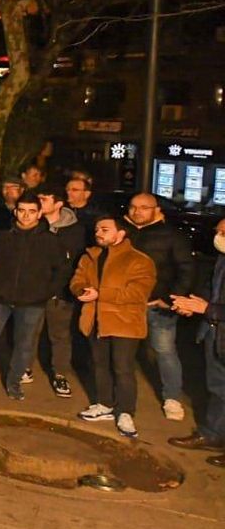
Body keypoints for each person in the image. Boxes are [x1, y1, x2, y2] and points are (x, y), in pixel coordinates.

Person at [72, 217, 157, 439]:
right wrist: (81, 290)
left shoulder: (139, 260)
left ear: (121, 234)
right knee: (99, 365)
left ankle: (126, 412)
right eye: (97, 229)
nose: (98, 233)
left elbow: (138, 293)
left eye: (105, 229)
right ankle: (105, 404)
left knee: (123, 368)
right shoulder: (90, 256)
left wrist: (100, 294)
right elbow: (77, 280)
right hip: (95, 320)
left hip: (124, 324)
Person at [0, 195, 67, 399]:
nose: (26, 216)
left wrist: (45, 292)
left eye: (31, 211)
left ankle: (14, 383)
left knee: (25, 345)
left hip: (32, 302)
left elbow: (61, 271)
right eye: (21, 211)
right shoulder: (3, 236)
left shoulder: (51, 241)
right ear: (15, 211)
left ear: (39, 213)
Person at [124, 193, 195, 422]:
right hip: (126, 305)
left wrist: (169, 299)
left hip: (157, 306)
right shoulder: (122, 231)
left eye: (144, 207)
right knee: (123, 353)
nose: (137, 211)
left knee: (165, 351)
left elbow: (186, 269)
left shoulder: (172, 236)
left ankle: (172, 398)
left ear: (157, 210)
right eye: (133, 207)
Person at [169, 218, 225, 467]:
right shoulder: (221, 259)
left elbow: (212, 304)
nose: (218, 236)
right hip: (216, 334)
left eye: (223, 232)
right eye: (218, 231)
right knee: (218, 388)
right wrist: (193, 305)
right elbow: (210, 289)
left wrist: (208, 309)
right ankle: (212, 434)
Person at [22, 185, 87, 398]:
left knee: (59, 335)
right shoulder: (34, 225)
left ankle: (60, 374)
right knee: (29, 331)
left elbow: (72, 263)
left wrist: (61, 288)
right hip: (33, 291)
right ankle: (25, 367)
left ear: (58, 203)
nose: (39, 203)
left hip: (60, 293)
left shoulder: (75, 230)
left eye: (44, 199)